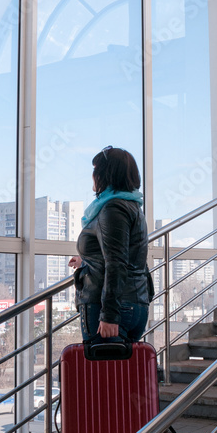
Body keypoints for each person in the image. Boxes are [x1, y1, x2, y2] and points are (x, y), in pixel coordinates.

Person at [69, 146, 153, 343]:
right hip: (133, 302)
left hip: (111, 307)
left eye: (95, 170)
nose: (92, 175)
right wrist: (87, 260)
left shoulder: (112, 208)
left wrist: (109, 315)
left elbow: (117, 263)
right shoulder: (130, 205)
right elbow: (125, 253)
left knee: (102, 372)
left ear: (105, 175)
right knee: (120, 373)